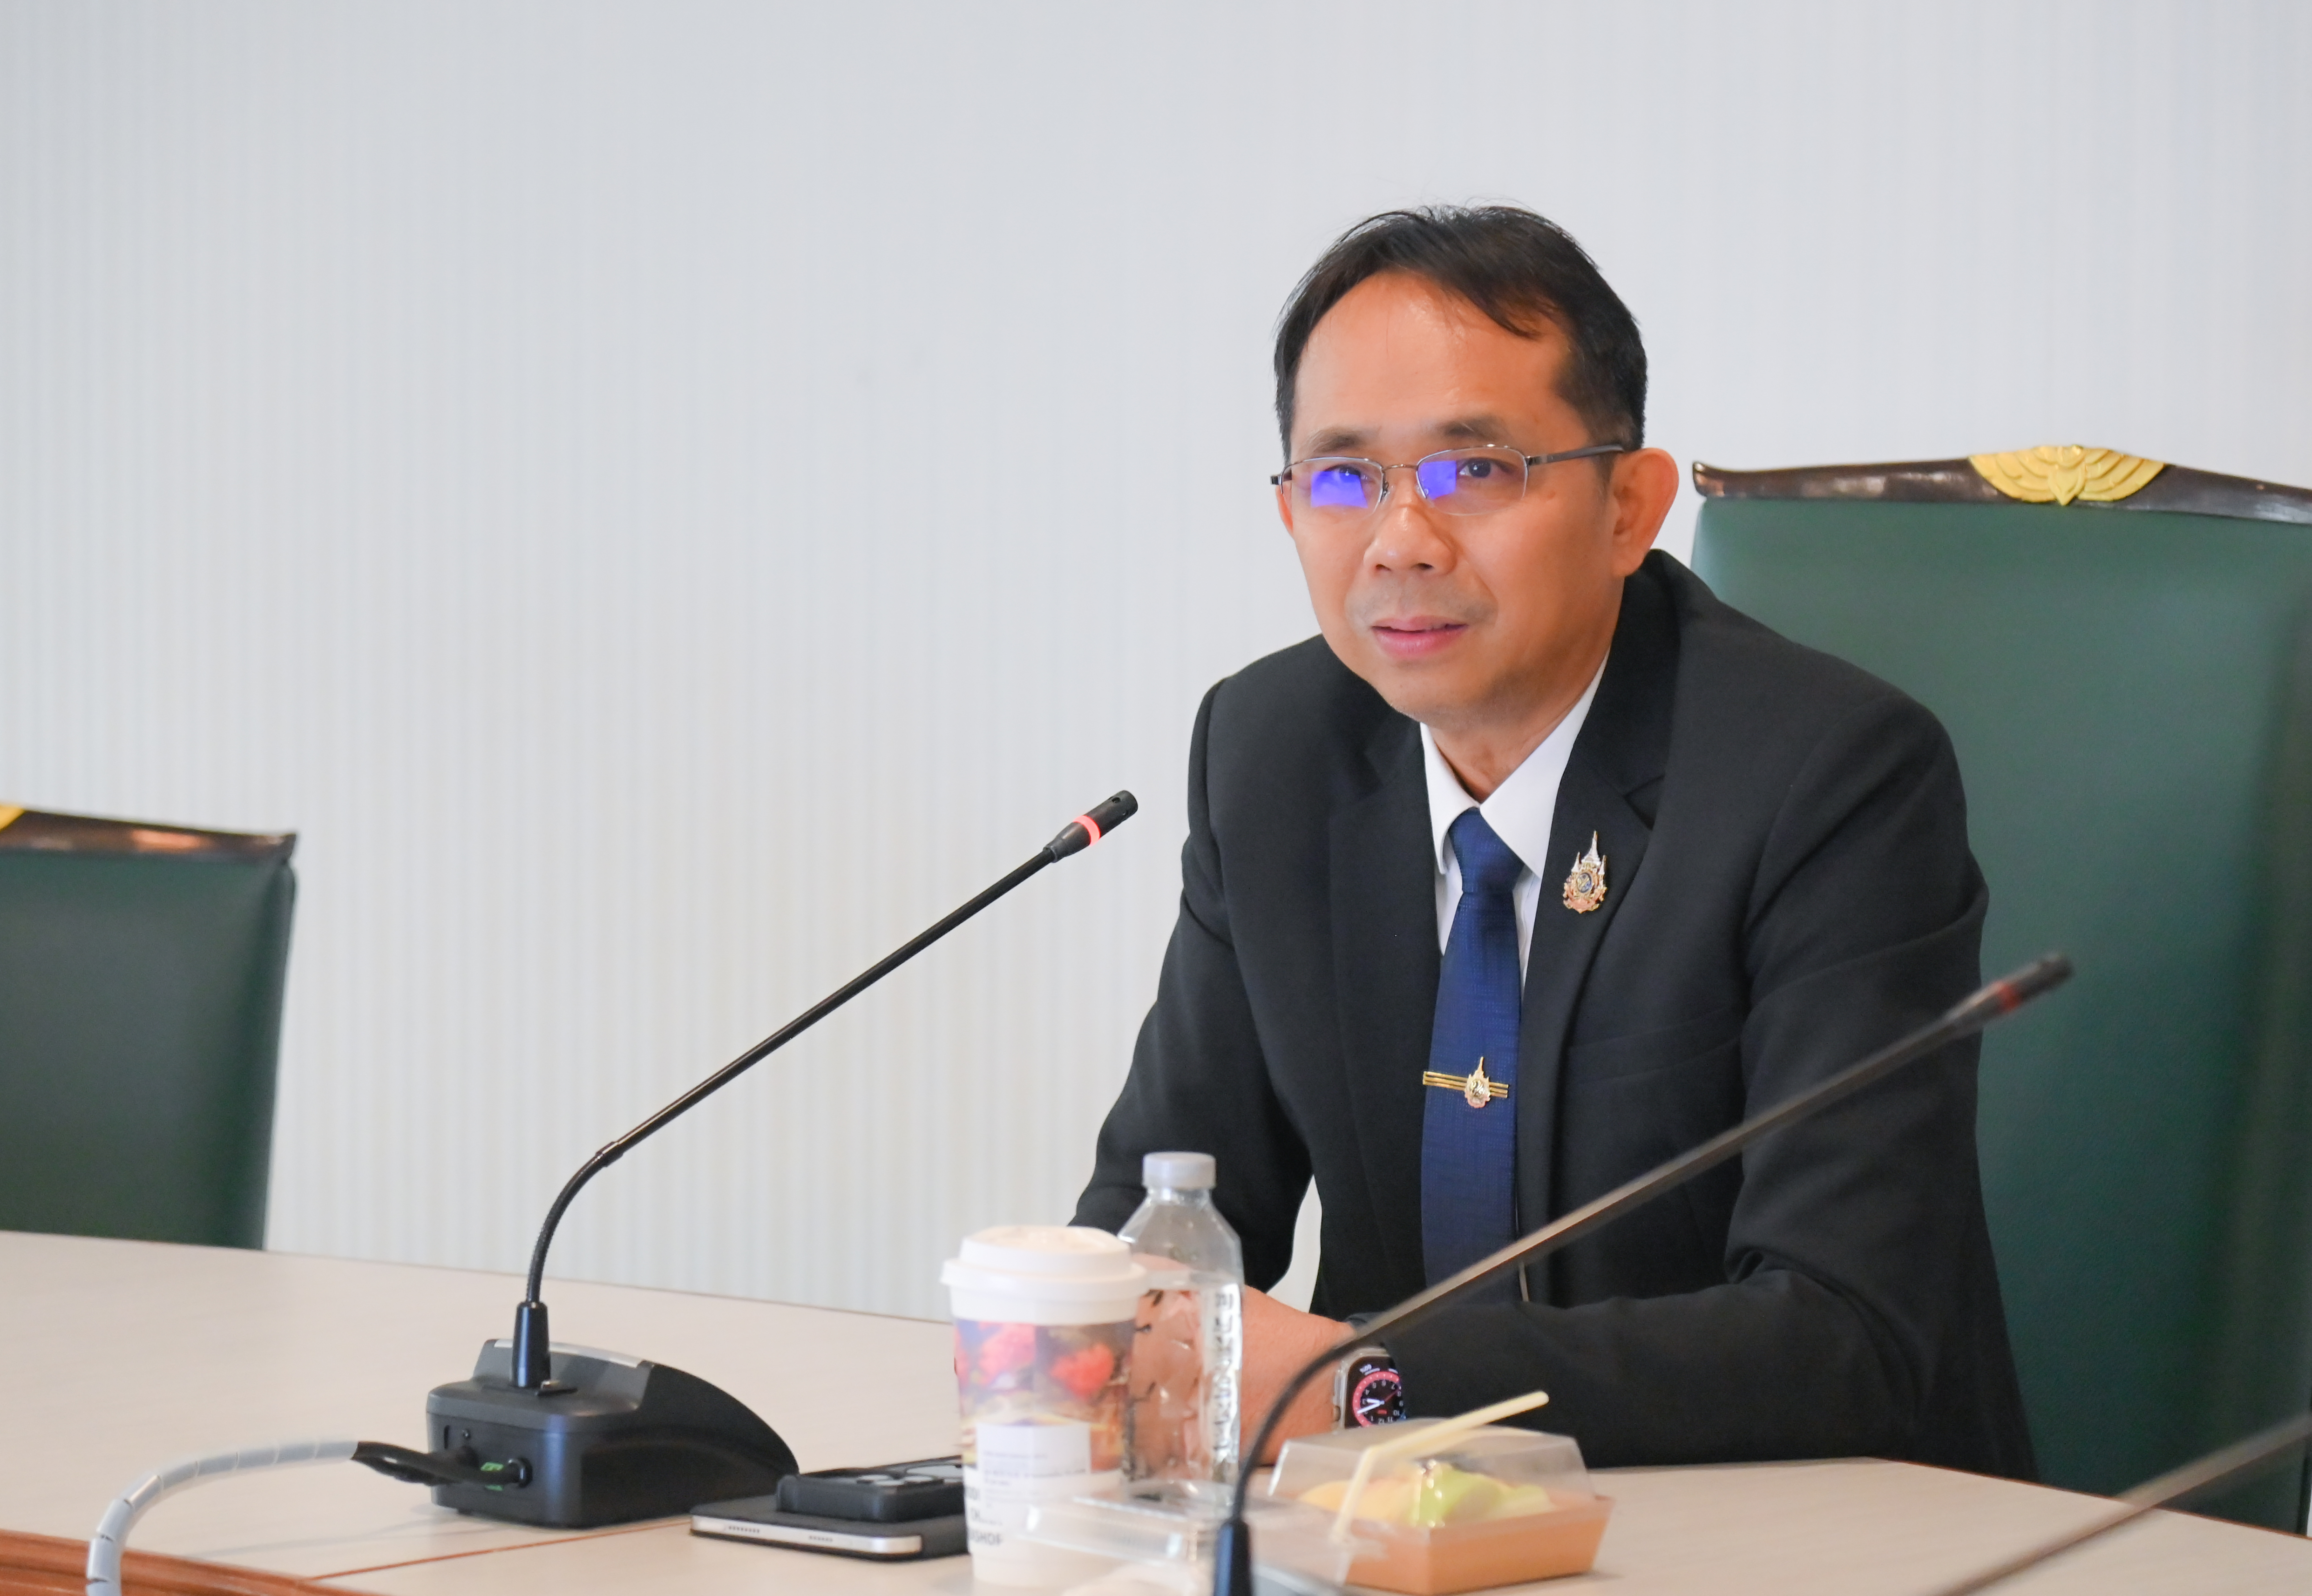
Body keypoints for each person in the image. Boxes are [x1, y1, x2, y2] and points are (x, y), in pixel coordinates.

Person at [1071, 205, 2033, 1478]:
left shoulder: (1827, 777)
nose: (1402, 540)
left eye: (1474, 471)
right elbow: (1166, 1207)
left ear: (1630, 506)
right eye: (1345, 479)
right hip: (1380, 1532)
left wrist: (1364, 1383)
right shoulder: (1273, 753)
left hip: (1782, 1520)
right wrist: (1087, 1333)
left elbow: (1844, 1339)